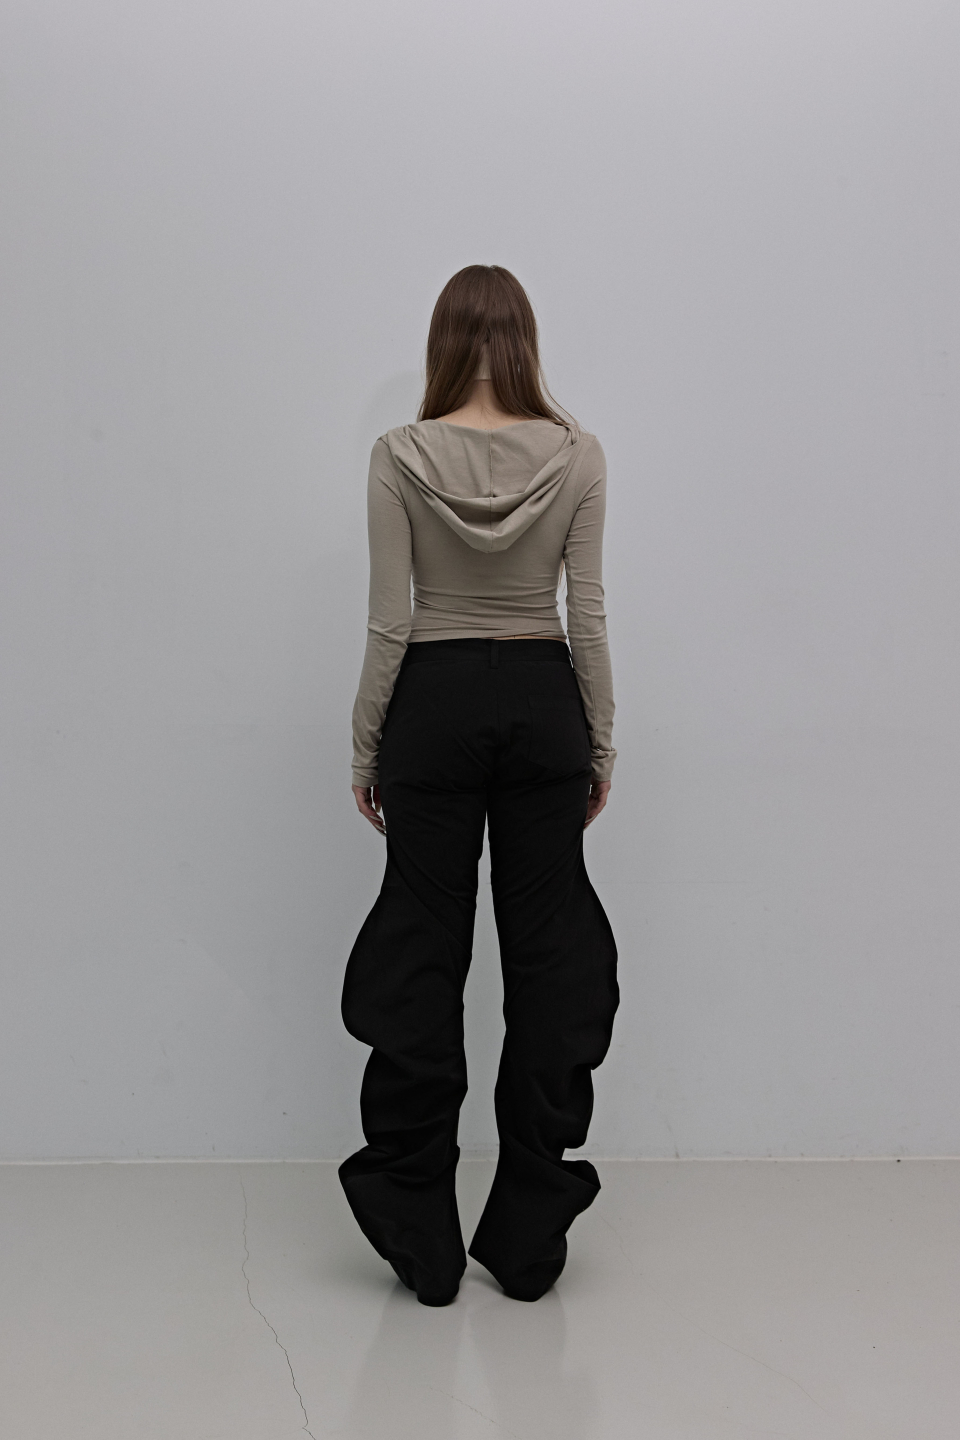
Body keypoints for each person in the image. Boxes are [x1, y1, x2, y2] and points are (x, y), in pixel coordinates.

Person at [339, 264, 619, 1307]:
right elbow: (586, 615)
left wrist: (367, 745)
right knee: (552, 959)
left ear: (445, 342)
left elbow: (390, 621)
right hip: (545, 701)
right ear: (525, 343)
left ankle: (421, 1237)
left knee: (421, 949)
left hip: (434, 707)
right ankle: (530, 1235)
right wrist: (600, 743)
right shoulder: (578, 454)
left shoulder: (399, 455)